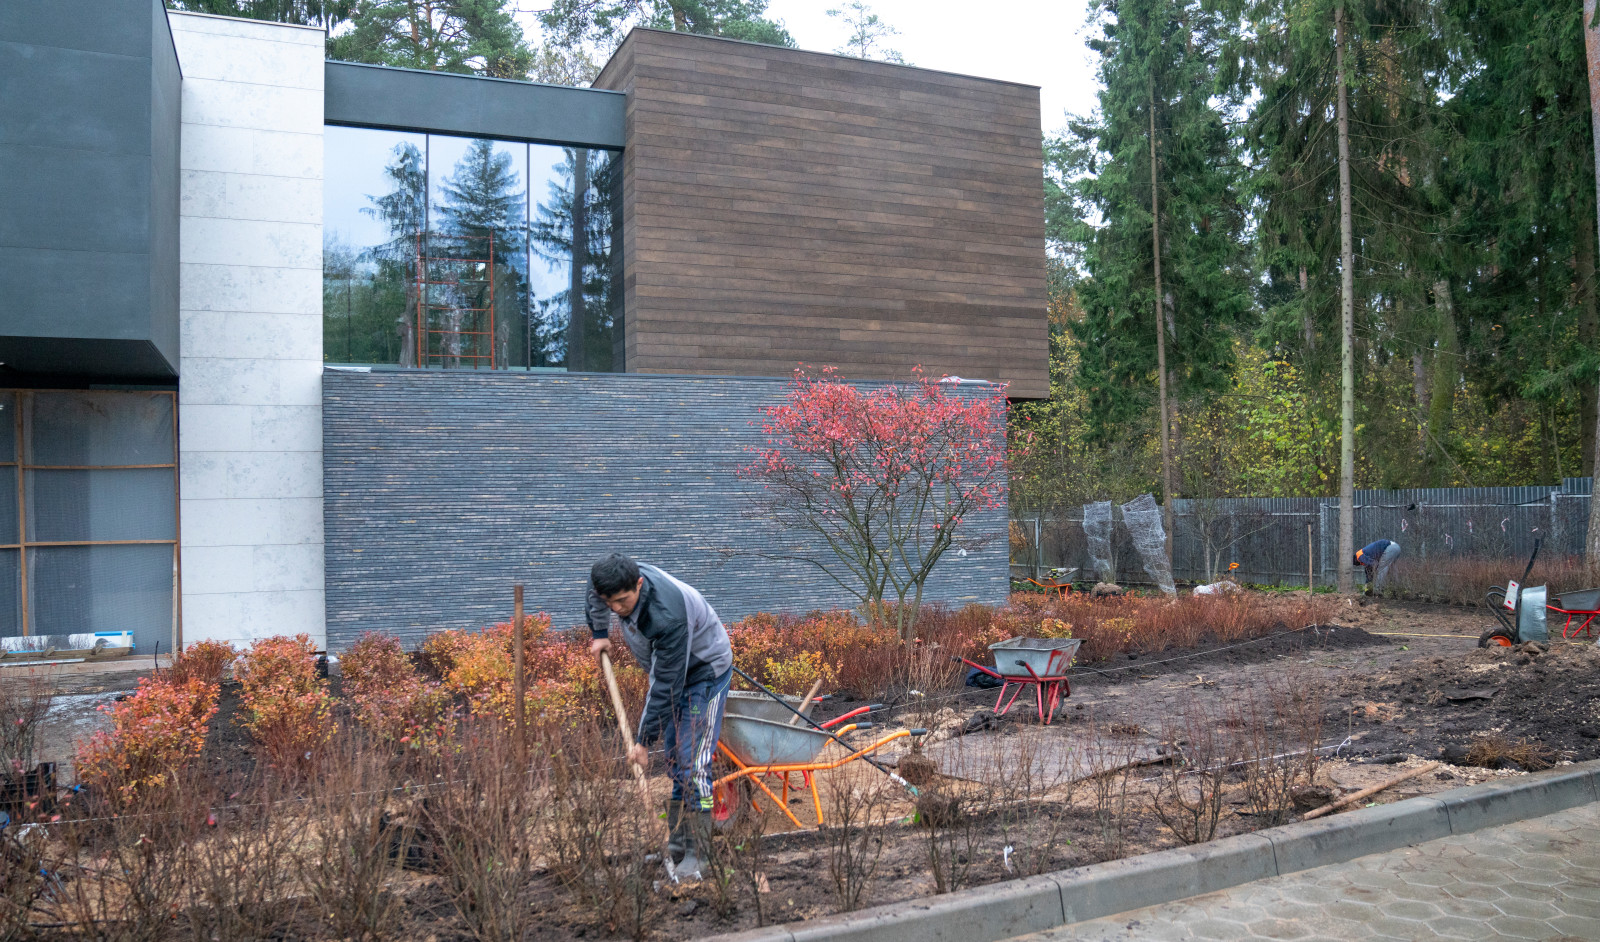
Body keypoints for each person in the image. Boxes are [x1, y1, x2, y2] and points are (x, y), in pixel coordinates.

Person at [586, 553, 732, 879]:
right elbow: (595, 595)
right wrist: (599, 633)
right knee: (675, 760)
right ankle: (679, 844)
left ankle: (700, 852)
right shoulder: (609, 587)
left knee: (692, 761)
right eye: (609, 603)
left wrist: (642, 741)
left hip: (702, 675)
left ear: (639, 584)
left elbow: (666, 685)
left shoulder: (667, 617)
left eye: (622, 601)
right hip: (674, 674)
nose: (616, 609)